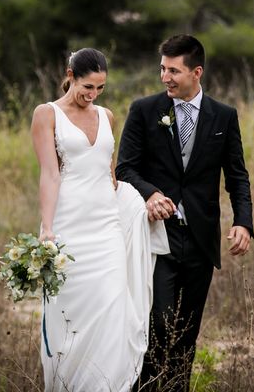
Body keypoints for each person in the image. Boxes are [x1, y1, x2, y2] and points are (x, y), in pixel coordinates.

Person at [116, 34, 254, 391]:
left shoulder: (224, 116)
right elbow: (125, 169)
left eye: (173, 70)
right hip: (156, 237)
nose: (165, 77)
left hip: (200, 241)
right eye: (162, 68)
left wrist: (243, 222)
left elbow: (237, 176)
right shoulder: (144, 110)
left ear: (197, 72)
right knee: (159, 325)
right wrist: (150, 194)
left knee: (187, 332)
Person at [31, 48, 168, 392]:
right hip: (69, 224)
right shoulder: (46, 114)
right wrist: (47, 230)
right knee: (72, 316)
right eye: (87, 87)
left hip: (106, 227)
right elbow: (50, 175)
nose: (92, 95)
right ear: (70, 75)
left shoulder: (107, 116)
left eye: (100, 89)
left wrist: (140, 203)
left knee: (111, 308)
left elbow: (110, 175)